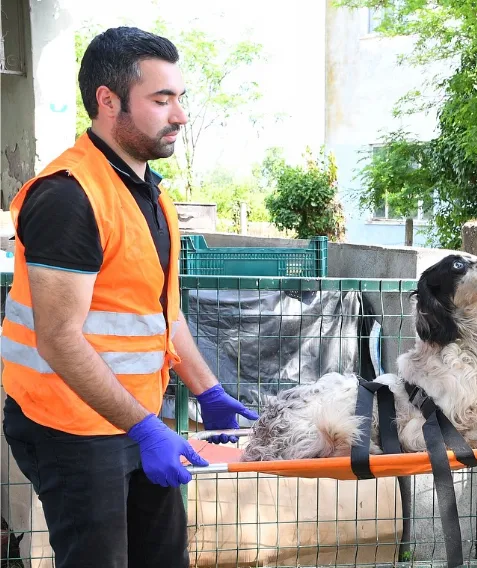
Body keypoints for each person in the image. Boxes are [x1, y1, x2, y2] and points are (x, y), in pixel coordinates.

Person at [1, 27, 258, 568]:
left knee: (164, 558)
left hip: (133, 419)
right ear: (108, 100)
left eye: (179, 98)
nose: (180, 115)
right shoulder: (69, 195)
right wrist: (145, 428)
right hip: (69, 425)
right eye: (161, 99)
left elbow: (161, 315)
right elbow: (57, 336)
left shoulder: (146, 193)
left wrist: (208, 390)